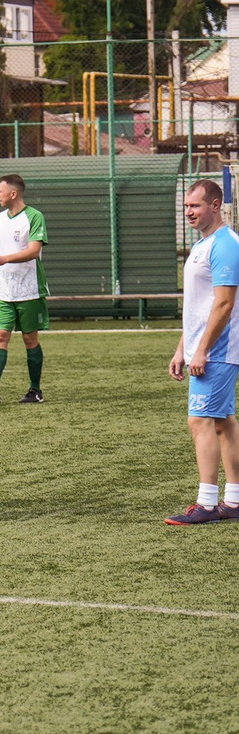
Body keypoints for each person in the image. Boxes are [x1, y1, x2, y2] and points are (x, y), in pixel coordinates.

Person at [165, 179, 239, 525]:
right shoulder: (202, 244)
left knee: (200, 421)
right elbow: (199, 305)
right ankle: (234, 501)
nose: (189, 212)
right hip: (205, 349)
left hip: (219, 350)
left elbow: (224, 304)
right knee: (223, 421)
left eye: (195, 205)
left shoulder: (226, 245)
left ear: (216, 205)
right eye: (186, 206)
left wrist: (203, 351)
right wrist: (183, 349)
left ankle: (207, 504)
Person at [0, 174, 49, 405]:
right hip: (4, 290)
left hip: (29, 289)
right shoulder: (0, 218)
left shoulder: (34, 216)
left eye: (0, 190)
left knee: (30, 339)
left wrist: (5, 259)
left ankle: (35, 390)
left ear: (13, 193)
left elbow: (34, 251)